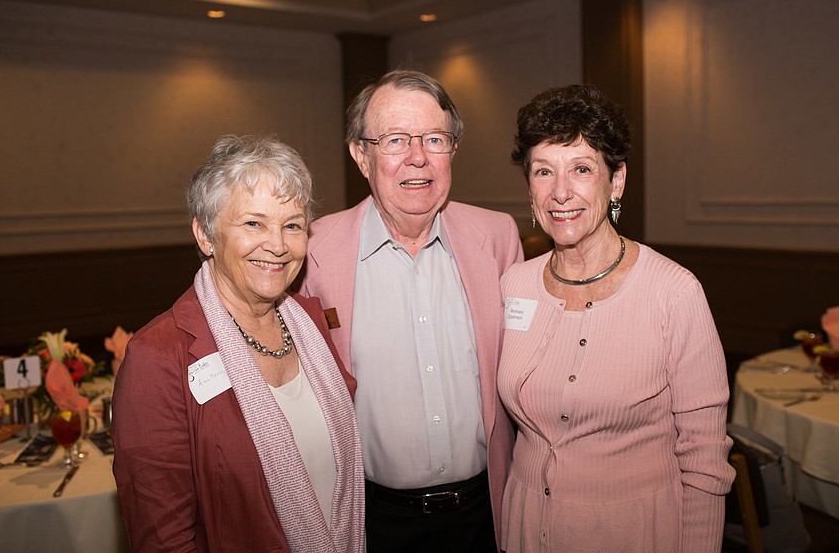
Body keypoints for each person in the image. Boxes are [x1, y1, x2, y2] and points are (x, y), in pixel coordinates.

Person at [497, 85, 735, 552]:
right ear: (530, 186)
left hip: (632, 532)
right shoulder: (513, 286)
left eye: (581, 169)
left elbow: (705, 459)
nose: (560, 192)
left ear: (617, 180)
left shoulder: (674, 293)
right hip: (525, 530)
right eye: (544, 171)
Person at [298, 69, 523, 552]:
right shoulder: (313, 253)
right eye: (396, 139)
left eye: (435, 139)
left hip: (488, 515)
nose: (417, 158)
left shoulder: (498, 238)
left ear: (453, 150)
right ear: (362, 155)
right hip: (375, 522)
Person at [112, 134, 364, 553]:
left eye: (293, 225)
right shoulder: (158, 356)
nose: (279, 245)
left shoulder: (312, 324)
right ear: (205, 235)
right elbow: (163, 537)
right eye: (253, 223)